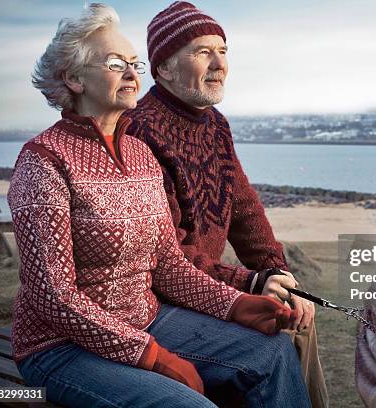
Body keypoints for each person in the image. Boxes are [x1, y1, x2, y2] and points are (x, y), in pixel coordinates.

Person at [9, 4, 311, 407]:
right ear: (73, 78)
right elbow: (54, 297)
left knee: (271, 353)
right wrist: (150, 355)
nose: (134, 73)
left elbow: (168, 265)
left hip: (149, 319)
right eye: (117, 63)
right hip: (60, 348)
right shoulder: (44, 160)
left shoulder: (137, 153)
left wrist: (239, 304)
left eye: (135, 63)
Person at [126, 3, 328, 406]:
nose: (220, 64)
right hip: (163, 297)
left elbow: (245, 209)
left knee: (298, 314)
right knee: (275, 338)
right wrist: (250, 283)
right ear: (163, 67)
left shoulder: (215, 123)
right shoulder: (139, 130)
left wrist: (276, 271)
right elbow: (169, 255)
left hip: (205, 284)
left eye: (224, 50)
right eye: (202, 52)